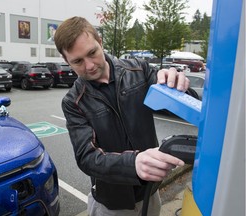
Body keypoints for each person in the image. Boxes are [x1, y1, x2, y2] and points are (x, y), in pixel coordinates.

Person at [54, 16, 189, 216]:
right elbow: (87, 157)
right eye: (78, 61)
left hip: (151, 192)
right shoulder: (74, 102)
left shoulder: (139, 70)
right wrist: (133, 164)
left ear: (100, 41)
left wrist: (180, 87)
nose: (89, 66)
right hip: (111, 204)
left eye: (92, 53)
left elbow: (181, 108)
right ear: (66, 61)